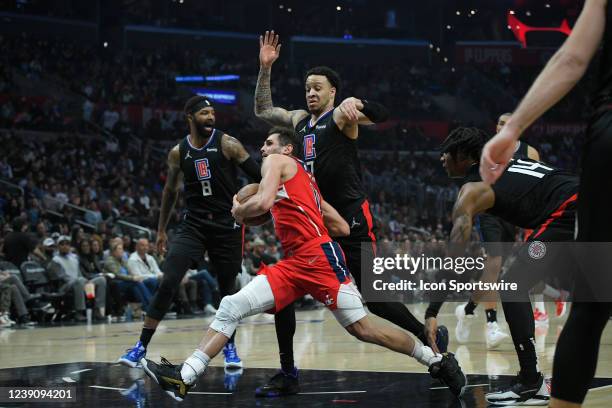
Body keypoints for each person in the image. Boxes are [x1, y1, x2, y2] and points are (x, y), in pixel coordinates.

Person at [140, 129, 466, 402]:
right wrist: (289, 210)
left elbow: (263, 203)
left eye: (268, 143)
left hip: (316, 257)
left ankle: (434, 360)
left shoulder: (277, 161)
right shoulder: (307, 182)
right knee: (231, 306)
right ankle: (186, 376)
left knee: (363, 328)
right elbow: (339, 226)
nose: (262, 149)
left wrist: (240, 212)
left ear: (286, 148)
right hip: (300, 261)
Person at [253, 31, 446, 396]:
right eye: (308, 87)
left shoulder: (342, 117)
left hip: (352, 219)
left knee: (372, 296)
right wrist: (265, 69)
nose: (311, 93)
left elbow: (383, 115)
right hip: (314, 222)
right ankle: (288, 372)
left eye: (318, 88)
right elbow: (263, 110)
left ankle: (426, 337)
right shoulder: (296, 121)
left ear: (332, 93)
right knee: (283, 294)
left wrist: (364, 105)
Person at [480, 2, 609, 406]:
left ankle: (532, 375)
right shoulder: (518, 167)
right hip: (553, 223)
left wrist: (515, 126)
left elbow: (571, 58)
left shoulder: (513, 165)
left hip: (580, 191)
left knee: (585, 307)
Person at [425, 127, 578, 405]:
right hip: (586, 199)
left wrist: (432, 311)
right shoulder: (508, 161)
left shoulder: (471, 191)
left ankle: (531, 382)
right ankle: (533, 381)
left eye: (445, 153)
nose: (441, 159)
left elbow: (453, 255)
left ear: (463, 156)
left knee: (513, 286)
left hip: (569, 209)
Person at [119, 95, 262, 369]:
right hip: (193, 224)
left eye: (212, 113)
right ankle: (140, 347)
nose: (211, 117)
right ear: (190, 117)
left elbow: (259, 176)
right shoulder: (177, 152)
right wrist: (161, 231)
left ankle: (229, 347)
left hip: (226, 224)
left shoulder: (228, 144)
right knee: (168, 281)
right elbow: (170, 191)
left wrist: (249, 203)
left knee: (227, 292)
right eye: (205, 113)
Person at [451, 112, 541, 349]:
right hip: (490, 212)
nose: (503, 126)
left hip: (513, 217)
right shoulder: (487, 149)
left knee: (496, 269)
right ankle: (492, 324)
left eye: (508, 123)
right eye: (500, 122)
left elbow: (536, 187)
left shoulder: (530, 153)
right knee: (494, 262)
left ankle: (468, 309)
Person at [53, 236, 107, 321]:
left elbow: (79, 273)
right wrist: (79, 280)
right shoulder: (55, 260)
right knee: (80, 281)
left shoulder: (74, 258)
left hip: (80, 282)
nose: (65, 246)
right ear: (58, 246)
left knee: (101, 280)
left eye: (67, 244)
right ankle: (79, 312)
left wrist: (85, 281)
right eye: (62, 244)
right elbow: (62, 277)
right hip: (65, 286)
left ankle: (97, 310)